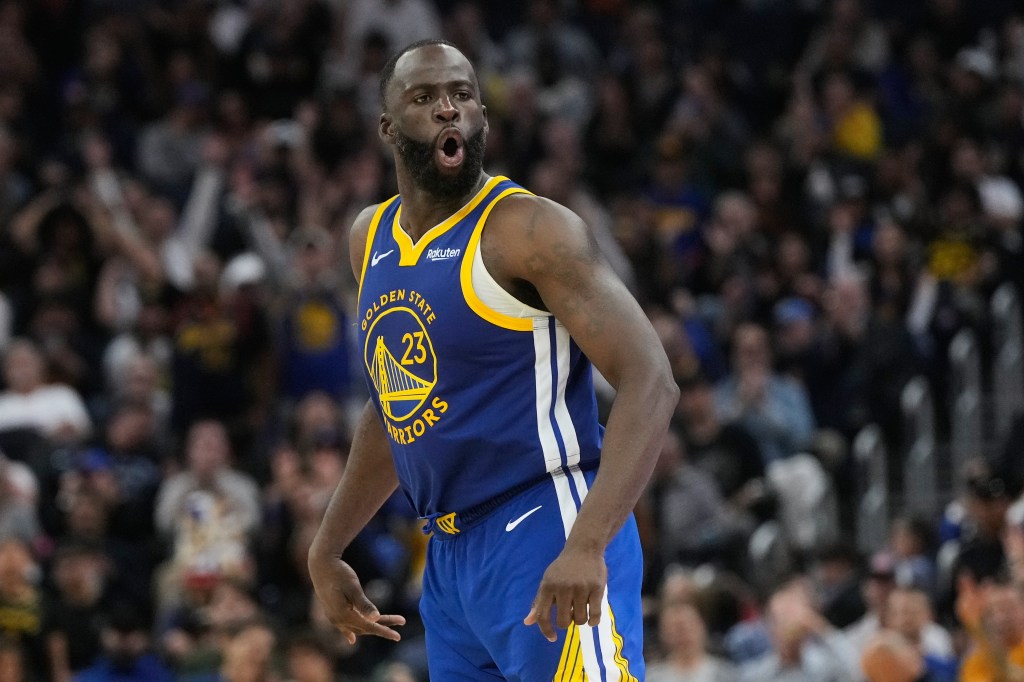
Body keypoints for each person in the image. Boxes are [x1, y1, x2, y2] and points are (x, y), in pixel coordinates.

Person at [307, 39, 677, 681]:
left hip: (543, 525)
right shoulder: (370, 237)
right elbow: (396, 408)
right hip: (447, 561)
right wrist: (327, 545)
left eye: (462, 94)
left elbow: (652, 381)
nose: (448, 109)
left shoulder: (529, 231)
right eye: (425, 98)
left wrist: (587, 542)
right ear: (388, 127)